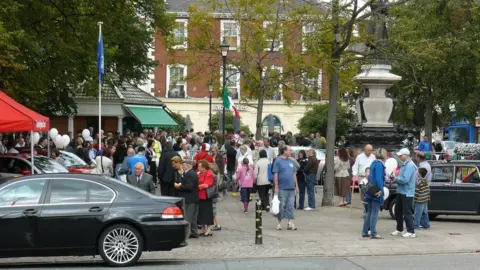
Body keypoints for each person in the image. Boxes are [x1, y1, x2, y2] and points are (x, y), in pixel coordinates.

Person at [391, 148, 417, 238]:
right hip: (401, 191)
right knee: (398, 211)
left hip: (407, 192)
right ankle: (399, 229)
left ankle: (411, 231)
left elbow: (405, 179)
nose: (400, 156)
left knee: (407, 212)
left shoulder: (410, 165)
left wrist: (395, 178)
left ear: (406, 155)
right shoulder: (404, 164)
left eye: (401, 155)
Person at [361, 148, 387, 239]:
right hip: (376, 190)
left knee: (369, 211)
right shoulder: (380, 165)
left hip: (370, 189)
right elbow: (379, 179)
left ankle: (365, 231)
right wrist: (381, 190)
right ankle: (373, 233)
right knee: (374, 213)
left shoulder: (373, 163)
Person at [273, 145, 299, 231]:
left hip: (291, 188)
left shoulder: (291, 161)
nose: (291, 151)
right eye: (289, 150)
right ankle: (279, 223)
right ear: (284, 151)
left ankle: (289, 223)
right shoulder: (278, 161)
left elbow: (294, 174)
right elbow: (275, 174)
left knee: (290, 206)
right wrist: (276, 186)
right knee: (281, 206)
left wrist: (296, 186)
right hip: (282, 188)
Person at [173, 158, 199, 238]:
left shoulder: (191, 174)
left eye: (183, 164)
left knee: (188, 218)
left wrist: (179, 187)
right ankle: (194, 232)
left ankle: (186, 235)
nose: (182, 166)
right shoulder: (188, 173)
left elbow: (189, 187)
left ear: (187, 165)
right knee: (193, 217)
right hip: (192, 198)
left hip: (190, 199)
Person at [197, 160, 215, 236]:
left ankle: (208, 228)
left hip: (206, 196)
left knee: (207, 213)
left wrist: (197, 187)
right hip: (199, 195)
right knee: (201, 213)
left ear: (204, 167)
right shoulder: (199, 173)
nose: (198, 168)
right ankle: (203, 227)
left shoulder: (209, 173)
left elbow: (207, 184)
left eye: (199, 166)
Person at [416, 152, 431, 229]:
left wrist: (415, 198)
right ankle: (426, 224)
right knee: (424, 211)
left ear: (419, 158)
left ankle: (416, 225)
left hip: (420, 196)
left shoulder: (422, 167)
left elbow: (417, 192)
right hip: (425, 194)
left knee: (418, 211)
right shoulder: (427, 165)